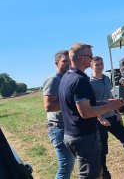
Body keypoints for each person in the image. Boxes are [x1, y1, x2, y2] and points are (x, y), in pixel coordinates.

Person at [58, 43, 124, 179]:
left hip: (71, 134)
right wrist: (112, 106)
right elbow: (86, 112)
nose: (92, 58)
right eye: (90, 56)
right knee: (91, 175)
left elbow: (80, 106)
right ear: (81, 59)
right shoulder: (79, 80)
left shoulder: (67, 77)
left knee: (92, 172)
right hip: (84, 137)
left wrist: (106, 102)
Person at [42, 50, 74, 179]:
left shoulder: (68, 78)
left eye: (70, 61)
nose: (68, 63)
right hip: (58, 128)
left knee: (71, 164)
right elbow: (48, 106)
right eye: (64, 61)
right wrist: (72, 103)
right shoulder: (53, 80)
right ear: (56, 63)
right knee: (66, 166)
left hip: (69, 126)